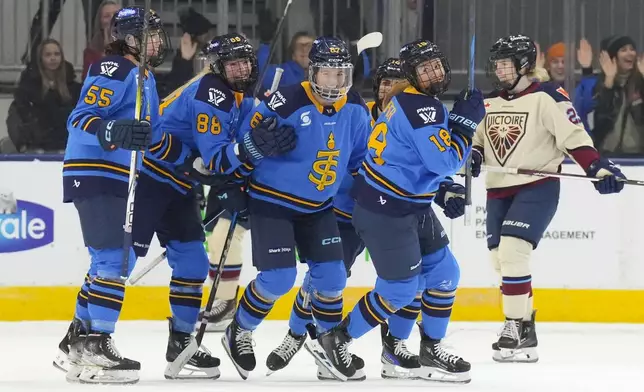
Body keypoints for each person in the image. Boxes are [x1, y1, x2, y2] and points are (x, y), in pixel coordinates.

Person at [265, 57, 470, 382]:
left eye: (393, 81)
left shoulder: (408, 111)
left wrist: (444, 189)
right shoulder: (360, 113)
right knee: (325, 280)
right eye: (383, 82)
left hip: (399, 206)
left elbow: (419, 164)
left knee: (435, 274)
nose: (388, 87)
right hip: (345, 211)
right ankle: (298, 333)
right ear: (377, 88)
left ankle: (399, 347)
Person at [220, 36, 370, 380]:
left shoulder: (356, 109)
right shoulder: (285, 101)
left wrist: (378, 194)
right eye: (328, 74)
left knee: (332, 277)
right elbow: (245, 143)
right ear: (313, 72)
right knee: (279, 279)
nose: (334, 82)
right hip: (273, 203)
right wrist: (236, 181)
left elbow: (361, 161)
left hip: (318, 207)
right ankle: (239, 330)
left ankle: (330, 345)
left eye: (340, 74)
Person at [472, 34, 626, 364]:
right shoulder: (489, 103)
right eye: (496, 64)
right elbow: (479, 140)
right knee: (500, 260)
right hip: (497, 188)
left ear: (525, 66)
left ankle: (512, 324)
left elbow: (574, 135)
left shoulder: (548, 96)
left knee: (514, 251)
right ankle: (526, 330)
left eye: (505, 64)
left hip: (536, 186)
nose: (498, 71)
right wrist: (472, 153)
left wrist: (596, 167)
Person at [53, 7, 173, 384]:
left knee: (108, 260)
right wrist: (113, 131)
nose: (157, 40)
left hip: (116, 175)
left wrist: (190, 162)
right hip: (96, 171)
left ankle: (77, 341)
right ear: (131, 39)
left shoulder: (145, 77)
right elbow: (80, 118)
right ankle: (96, 343)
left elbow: (150, 136)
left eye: (157, 33)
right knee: (112, 259)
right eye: (149, 34)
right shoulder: (116, 68)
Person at [7, 38, 81, 153]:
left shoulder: (74, 88)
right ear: (40, 59)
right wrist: (24, 146)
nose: (53, 58)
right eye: (48, 54)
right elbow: (17, 118)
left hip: (67, 146)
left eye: (57, 54)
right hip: (37, 147)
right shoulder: (28, 88)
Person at [82, 0, 121, 79]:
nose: (112, 19)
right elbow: (88, 80)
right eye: (107, 16)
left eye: (116, 14)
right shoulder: (91, 52)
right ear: (100, 22)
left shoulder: (134, 44)